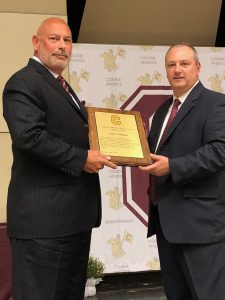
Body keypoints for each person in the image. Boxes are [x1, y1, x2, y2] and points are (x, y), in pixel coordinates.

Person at [3, 17, 117, 300]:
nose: (63, 46)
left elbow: (60, 132)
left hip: (72, 221)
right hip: (44, 224)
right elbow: (29, 136)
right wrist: (81, 158)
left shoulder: (60, 85)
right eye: (54, 39)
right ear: (36, 42)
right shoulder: (24, 82)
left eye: (67, 40)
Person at [139, 43, 225, 300]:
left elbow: (220, 151)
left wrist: (173, 167)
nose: (177, 70)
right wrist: (137, 144)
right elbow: (157, 153)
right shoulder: (162, 111)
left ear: (198, 68)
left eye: (184, 64)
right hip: (166, 224)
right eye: (171, 65)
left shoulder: (216, 104)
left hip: (200, 227)